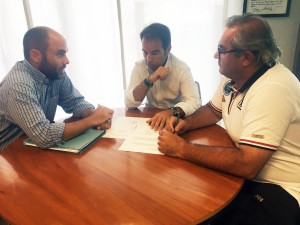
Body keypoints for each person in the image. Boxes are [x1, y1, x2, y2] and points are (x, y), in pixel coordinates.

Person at [158, 14, 300, 225]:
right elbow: (213, 111)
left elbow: (247, 165)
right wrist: (186, 124)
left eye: (222, 50)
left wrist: (182, 149)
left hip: (280, 188)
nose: (216, 55)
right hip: (248, 176)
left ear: (246, 58)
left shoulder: (273, 89)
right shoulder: (233, 75)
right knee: (185, 200)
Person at [0, 26, 114, 151]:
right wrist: (92, 120)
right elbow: (44, 136)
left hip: (31, 145)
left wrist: (96, 116)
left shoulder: (55, 72)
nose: (67, 61)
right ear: (35, 55)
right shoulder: (18, 85)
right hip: (8, 153)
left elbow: (76, 102)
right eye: (60, 54)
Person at [124, 23, 201, 130]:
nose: (148, 59)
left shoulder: (181, 68)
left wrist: (170, 112)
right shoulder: (139, 66)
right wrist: (149, 80)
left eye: (154, 53)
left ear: (168, 49)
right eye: (145, 53)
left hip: (175, 120)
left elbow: (194, 103)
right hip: (150, 120)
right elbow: (130, 104)